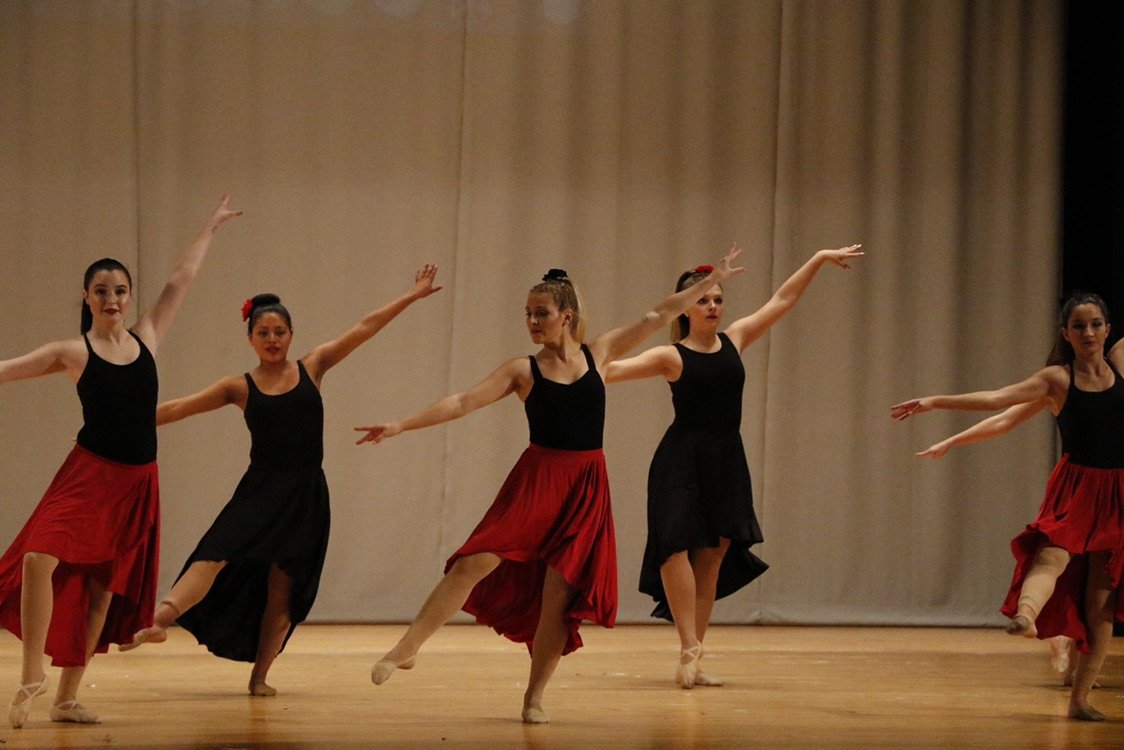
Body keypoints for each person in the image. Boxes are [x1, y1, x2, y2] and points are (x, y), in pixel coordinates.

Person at [354, 247, 745, 724]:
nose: (533, 322)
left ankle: (534, 697)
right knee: (474, 561)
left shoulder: (599, 353)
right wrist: (400, 425)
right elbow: (462, 402)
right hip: (538, 480)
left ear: (567, 316)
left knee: (559, 598)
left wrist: (711, 281)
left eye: (541, 314)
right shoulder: (523, 370)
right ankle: (407, 647)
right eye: (528, 315)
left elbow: (658, 313)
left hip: (585, 485)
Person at [119, 264, 442, 697]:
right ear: (250, 339)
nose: (272, 339)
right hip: (260, 490)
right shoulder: (239, 386)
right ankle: (159, 621)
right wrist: (117, 424)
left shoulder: (314, 365)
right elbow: (179, 408)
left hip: (305, 496)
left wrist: (412, 295)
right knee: (214, 553)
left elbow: (364, 327)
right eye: (263, 333)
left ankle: (260, 677)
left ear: (291, 335)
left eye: (279, 332)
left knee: (282, 592)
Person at [0, 196, 242, 728]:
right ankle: (29, 677)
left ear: (129, 299)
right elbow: (6, 371)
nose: (112, 298)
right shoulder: (72, 351)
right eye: (102, 291)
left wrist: (210, 227)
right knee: (39, 558)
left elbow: (180, 280)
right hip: (87, 475)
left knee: (100, 591)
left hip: (136, 483)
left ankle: (66, 697)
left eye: (120, 291)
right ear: (87, 297)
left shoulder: (148, 338)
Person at [604, 245, 863, 689]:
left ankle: (694, 656)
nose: (712, 306)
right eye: (703, 299)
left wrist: (818, 258)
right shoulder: (671, 357)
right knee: (672, 547)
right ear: (685, 308)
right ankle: (689, 646)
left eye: (718, 299)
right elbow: (606, 369)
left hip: (727, 460)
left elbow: (782, 300)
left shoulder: (736, 340)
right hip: (681, 459)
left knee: (711, 559)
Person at [892, 291, 1124, 721]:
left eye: (1096, 324)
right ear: (1065, 333)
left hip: (1118, 493)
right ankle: (1026, 615)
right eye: (1079, 326)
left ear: (1108, 329)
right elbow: (999, 404)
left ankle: (1080, 700)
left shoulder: (1121, 363)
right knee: (1052, 555)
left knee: (1102, 603)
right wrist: (936, 404)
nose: (1088, 332)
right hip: (1077, 487)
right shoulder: (1058, 378)